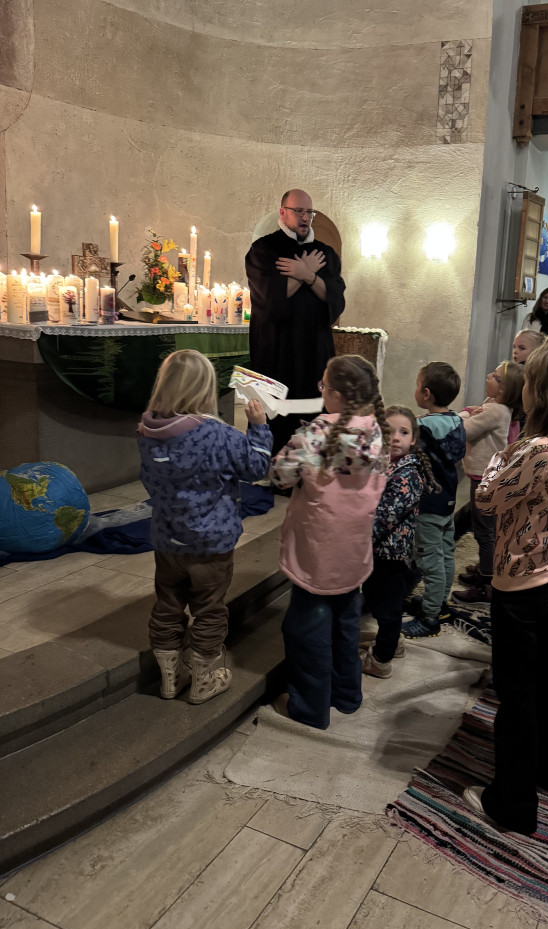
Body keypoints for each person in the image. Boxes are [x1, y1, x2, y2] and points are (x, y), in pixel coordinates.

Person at [463, 344, 548, 835]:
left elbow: (486, 498)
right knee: (543, 682)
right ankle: (543, 772)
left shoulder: (536, 448)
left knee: (516, 693)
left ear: (541, 392)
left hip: (520, 580)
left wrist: (503, 452)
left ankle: (512, 804)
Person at [138, 349, 273, 704]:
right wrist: (259, 427)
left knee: (168, 604)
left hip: (168, 539)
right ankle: (204, 680)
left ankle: (170, 678)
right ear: (205, 388)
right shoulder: (218, 433)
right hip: (211, 544)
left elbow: (149, 480)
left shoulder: (148, 430)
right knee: (209, 609)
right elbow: (256, 468)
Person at [268, 354, 389, 729]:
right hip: (354, 551)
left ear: (335, 394)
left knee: (307, 631)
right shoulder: (378, 431)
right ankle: (347, 695)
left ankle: (310, 709)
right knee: (347, 624)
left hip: (316, 553)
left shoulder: (315, 434)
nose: (321, 391)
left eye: (323, 385)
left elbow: (279, 476)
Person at [245, 189, 346, 451]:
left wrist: (307, 274)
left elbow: (335, 300)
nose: (305, 217)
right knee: (275, 419)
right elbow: (269, 299)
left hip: (315, 351)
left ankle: (311, 466)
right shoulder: (263, 250)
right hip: (276, 352)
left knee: (314, 420)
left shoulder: (325, 253)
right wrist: (306, 273)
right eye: (298, 211)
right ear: (283, 212)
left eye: (309, 212)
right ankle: (269, 463)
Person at [360, 406, 437, 678]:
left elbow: (385, 517)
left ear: (413, 439)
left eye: (403, 432)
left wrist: (354, 538)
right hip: (376, 552)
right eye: (388, 431)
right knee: (377, 601)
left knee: (388, 609)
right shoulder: (383, 463)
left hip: (389, 556)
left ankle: (381, 659)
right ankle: (395, 642)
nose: (395, 437)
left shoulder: (408, 474)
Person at [401, 362, 466, 639]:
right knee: (446, 552)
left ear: (426, 393)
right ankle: (440, 604)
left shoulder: (422, 427)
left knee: (430, 562)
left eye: (418, 386)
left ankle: (429, 618)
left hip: (428, 505)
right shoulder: (456, 421)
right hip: (448, 501)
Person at [453, 361, 525, 605]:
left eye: (495, 376)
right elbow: (480, 412)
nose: (488, 376)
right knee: (488, 528)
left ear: (504, 389)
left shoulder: (495, 410)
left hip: (485, 478)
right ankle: (487, 570)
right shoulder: (501, 408)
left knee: (484, 531)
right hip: (493, 477)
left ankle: (486, 583)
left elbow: (464, 430)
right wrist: (474, 410)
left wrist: (462, 413)